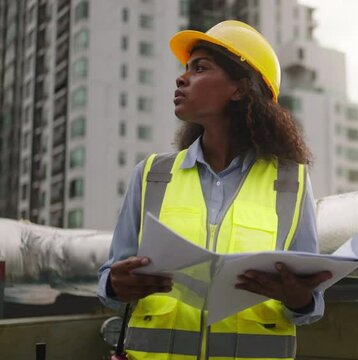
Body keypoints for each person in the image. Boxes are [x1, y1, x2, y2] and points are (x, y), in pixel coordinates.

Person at [97, 20, 332, 360]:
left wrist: (299, 298)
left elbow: (312, 304)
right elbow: (110, 280)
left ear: (240, 89)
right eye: (185, 69)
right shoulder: (151, 176)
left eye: (200, 68)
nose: (182, 78)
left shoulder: (290, 184)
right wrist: (114, 285)